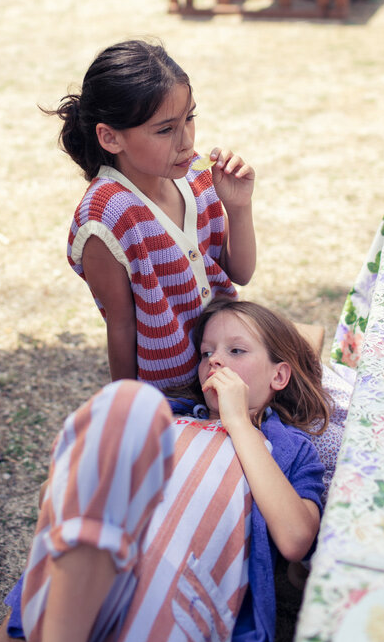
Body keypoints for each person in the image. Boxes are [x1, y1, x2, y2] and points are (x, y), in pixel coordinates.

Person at [0, 299, 330, 642]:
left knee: (154, 597)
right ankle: (72, 617)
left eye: (236, 351)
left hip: (185, 584)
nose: (215, 362)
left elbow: (296, 539)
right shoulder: (167, 417)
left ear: (279, 376)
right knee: (130, 403)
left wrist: (239, 421)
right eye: (206, 353)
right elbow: (52, 495)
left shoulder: (289, 448)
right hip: (112, 542)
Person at [45, 38, 257, 390]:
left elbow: (240, 274)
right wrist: (129, 407)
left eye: (189, 118)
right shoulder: (105, 219)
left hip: (234, 372)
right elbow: (122, 326)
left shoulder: (198, 175)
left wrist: (238, 207)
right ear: (110, 138)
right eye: (165, 129)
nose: (186, 141)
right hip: (175, 394)